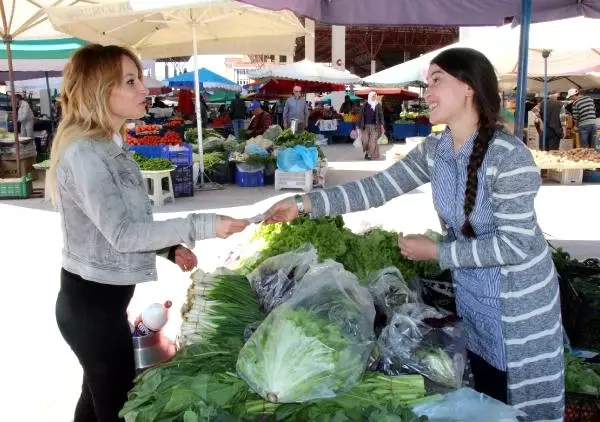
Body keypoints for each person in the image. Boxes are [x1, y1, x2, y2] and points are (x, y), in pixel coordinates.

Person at [263, 47, 563, 422]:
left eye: (436, 81)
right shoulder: (436, 150)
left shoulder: (509, 157)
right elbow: (377, 188)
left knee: (523, 406)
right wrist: (304, 204)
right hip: (474, 299)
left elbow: (516, 244)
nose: (428, 93)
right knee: (488, 400)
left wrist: (438, 253)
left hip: (519, 309)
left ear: (468, 87)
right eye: (426, 83)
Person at [47, 44, 249, 422]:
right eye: (131, 81)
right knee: (118, 407)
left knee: (94, 398)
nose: (145, 89)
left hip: (101, 304)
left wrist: (170, 249)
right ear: (100, 90)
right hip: (91, 310)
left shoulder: (107, 143)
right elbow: (122, 234)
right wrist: (202, 225)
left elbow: (116, 222)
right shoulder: (86, 154)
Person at [358, 91, 385, 160]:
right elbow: (361, 115)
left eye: (375, 96)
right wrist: (358, 125)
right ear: (369, 96)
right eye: (373, 96)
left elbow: (381, 115)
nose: (374, 97)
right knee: (365, 141)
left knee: (372, 141)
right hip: (365, 126)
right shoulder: (365, 104)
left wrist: (382, 124)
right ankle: (367, 152)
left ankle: (369, 154)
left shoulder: (377, 105)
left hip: (375, 126)